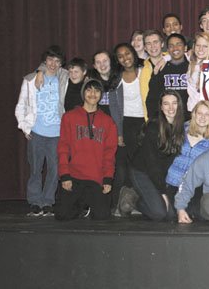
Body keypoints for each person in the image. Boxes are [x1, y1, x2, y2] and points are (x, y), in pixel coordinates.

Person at [15, 45, 69, 216]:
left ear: (61, 64)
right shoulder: (31, 79)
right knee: (35, 169)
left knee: (54, 170)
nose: (53, 63)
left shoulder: (64, 79)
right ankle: (35, 201)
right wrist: (24, 126)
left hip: (57, 134)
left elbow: (77, 73)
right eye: (50, 59)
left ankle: (47, 202)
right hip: (36, 132)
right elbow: (21, 105)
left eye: (57, 61)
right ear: (44, 61)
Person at [55, 79, 118, 220]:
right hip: (74, 177)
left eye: (97, 90)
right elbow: (63, 148)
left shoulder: (108, 121)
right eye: (89, 90)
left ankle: (89, 204)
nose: (93, 94)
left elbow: (110, 153)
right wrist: (65, 175)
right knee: (62, 215)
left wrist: (107, 179)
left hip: (96, 178)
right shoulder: (69, 117)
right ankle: (82, 205)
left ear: (101, 95)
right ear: (83, 93)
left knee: (102, 216)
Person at [118, 91, 185, 221]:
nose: (171, 108)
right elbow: (152, 165)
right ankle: (132, 198)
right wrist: (163, 193)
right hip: (142, 171)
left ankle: (147, 197)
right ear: (161, 107)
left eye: (174, 103)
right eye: (166, 104)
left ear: (179, 105)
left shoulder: (180, 127)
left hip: (160, 175)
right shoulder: (154, 127)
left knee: (171, 214)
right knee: (159, 214)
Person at [165, 100, 209, 220]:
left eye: (207, 115)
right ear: (194, 114)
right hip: (173, 181)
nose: (203, 117)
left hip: (194, 185)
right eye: (200, 113)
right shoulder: (180, 130)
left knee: (197, 214)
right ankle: (134, 197)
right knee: (169, 214)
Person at [109, 43, 145, 214]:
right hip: (125, 124)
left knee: (141, 166)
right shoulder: (116, 78)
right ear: (117, 60)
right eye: (120, 56)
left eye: (127, 53)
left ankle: (135, 203)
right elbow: (115, 108)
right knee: (122, 168)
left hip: (144, 124)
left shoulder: (145, 70)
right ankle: (117, 204)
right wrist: (119, 133)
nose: (125, 58)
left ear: (134, 53)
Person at [146, 33, 190, 119]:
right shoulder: (160, 68)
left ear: (185, 48)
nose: (175, 48)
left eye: (179, 44)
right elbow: (152, 97)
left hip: (189, 119)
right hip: (166, 119)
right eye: (171, 46)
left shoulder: (193, 67)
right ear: (168, 50)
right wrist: (154, 120)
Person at [186, 32, 209, 112]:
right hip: (191, 110)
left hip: (208, 112)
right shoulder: (191, 60)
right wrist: (164, 59)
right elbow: (175, 54)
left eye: (205, 46)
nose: (200, 49)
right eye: (198, 45)